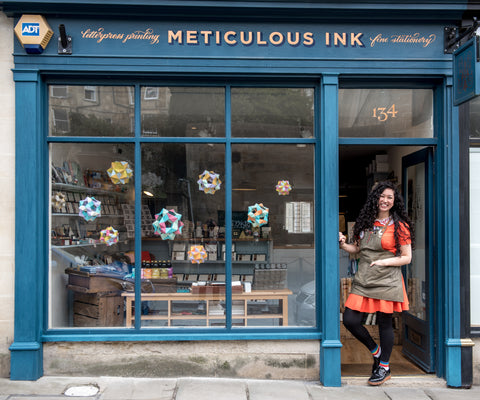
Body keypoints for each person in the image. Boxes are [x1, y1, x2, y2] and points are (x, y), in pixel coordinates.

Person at [339, 181, 414, 386]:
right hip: (364, 278)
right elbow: (357, 250)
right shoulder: (365, 222)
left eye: (390, 197)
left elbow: (407, 257)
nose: (385, 200)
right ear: (375, 198)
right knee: (350, 320)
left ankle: (384, 367)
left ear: (394, 201)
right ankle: (377, 352)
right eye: (382, 196)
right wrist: (342, 243)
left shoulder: (400, 225)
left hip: (387, 279)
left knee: (384, 323)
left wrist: (384, 261)